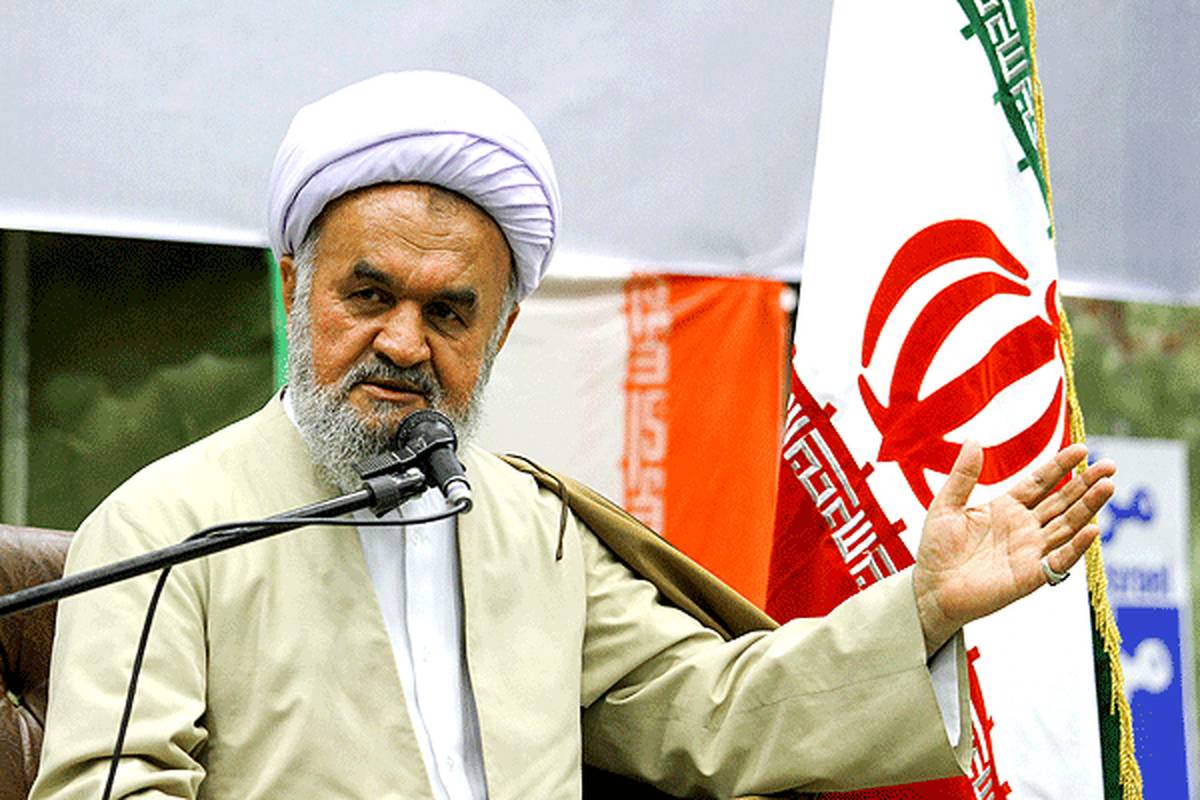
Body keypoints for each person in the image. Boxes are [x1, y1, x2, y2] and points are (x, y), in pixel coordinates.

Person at [30, 71, 1115, 800]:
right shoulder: (164, 526)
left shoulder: (534, 529)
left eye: (448, 311)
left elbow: (716, 712)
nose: (402, 342)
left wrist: (923, 605)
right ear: (294, 289)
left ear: (498, 334)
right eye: (368, 294)